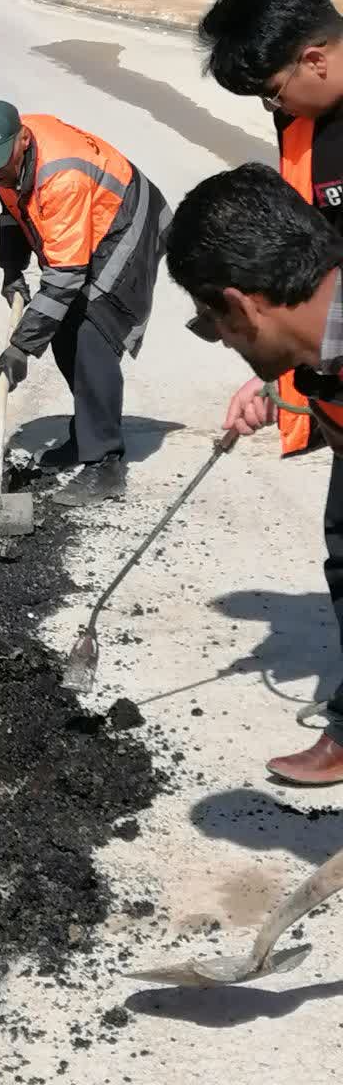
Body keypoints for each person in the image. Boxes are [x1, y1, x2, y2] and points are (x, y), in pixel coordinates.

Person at [199, 0, 343, 781]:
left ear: (314, 57)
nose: (272, 110)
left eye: (273, 90)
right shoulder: (309, 121)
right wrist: (279, 368)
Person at [166, 163, 343, 782]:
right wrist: (282, 379)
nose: (221, 340)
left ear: (241, 305)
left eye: (212, 325)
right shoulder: (324, 336)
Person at [0, 100, 172, 507]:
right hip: (89, 223)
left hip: (127, 225)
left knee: (93, 333)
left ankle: (106, 465)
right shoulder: (2, 159)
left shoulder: (62, 176)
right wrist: (11, 269)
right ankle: (86, 437)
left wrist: (20, 347)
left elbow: (65, 276)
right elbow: (13, 210)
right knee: (64, 333)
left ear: (22, 139)